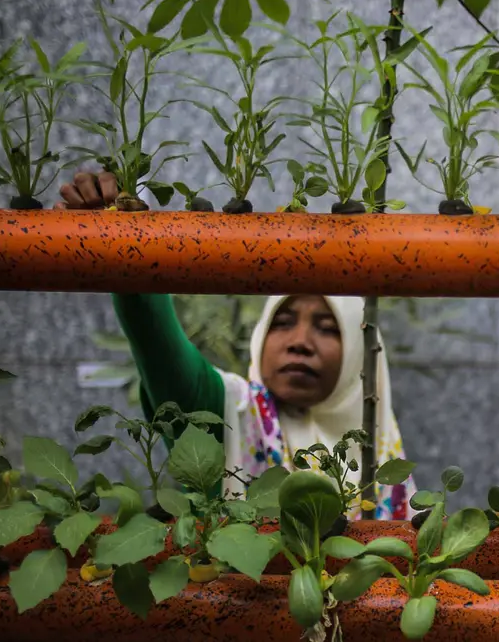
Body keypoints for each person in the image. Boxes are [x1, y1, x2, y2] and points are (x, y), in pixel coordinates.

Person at [56, 171, 415, 521]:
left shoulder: (389, 473)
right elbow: (155, 341)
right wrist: (121, 240)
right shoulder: (227, 417)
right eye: (283, 323)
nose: (300, 343)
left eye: (327, 329)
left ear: (361, 355)